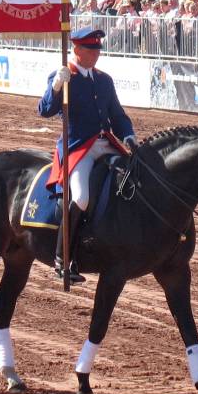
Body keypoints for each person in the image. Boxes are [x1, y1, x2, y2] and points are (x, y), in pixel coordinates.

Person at [38, 27, 136, 283]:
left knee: (133, 180)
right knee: (80, 197)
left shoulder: (104, 80)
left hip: (106, 143)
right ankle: (62, 258)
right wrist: (57, 86)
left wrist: (128, 134)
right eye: (91, 50)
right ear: (77, 50)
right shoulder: (65, 76)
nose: (96, 54)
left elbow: (117, 114)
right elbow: (45, 110)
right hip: (78, 147)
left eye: (98, 50)